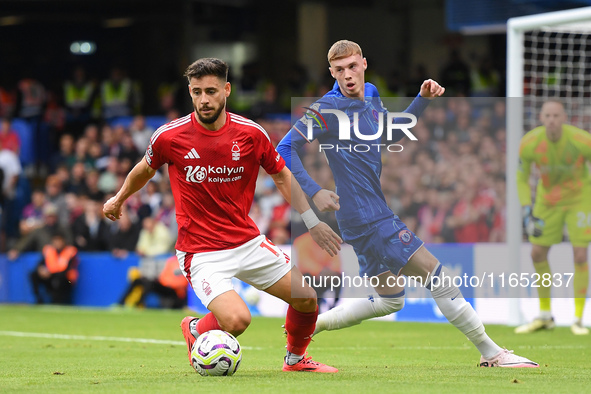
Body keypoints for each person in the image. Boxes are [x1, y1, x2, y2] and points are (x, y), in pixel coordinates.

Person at [277, 40, 538, 368]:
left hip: (363, 216)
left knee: (390, 300)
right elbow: (285, 149)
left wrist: (421, 101)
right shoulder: (326, 109)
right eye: (340, 70)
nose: (348, 75)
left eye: (352, 67)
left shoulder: (371, 93)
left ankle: (307, 329)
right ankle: (492, 353)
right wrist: (315, 191)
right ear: (331, 72)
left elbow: (389, 135)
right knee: (439, 277)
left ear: (364, 64)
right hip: (369, 217)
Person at [103, 58, 342, 373]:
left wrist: (312, 222)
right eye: (197, 92)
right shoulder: (169, 136)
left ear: (226, 90)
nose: (204, 100)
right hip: (201, 252)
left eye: (212, 91)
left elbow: (282, 175)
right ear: (189, 92)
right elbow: (144, 169)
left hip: (247, 241)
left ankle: (296, 360)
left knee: (306, 299)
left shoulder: (251, 134)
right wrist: (119, 198)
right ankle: (195, 329)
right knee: (237, 320)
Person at [515, 99, 591, 335]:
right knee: (537, 253)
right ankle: (545, 315)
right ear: (540, 118)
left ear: (564, 118)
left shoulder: (581, 140)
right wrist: (527, 208)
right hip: (547, 201)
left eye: (556, 116)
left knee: (579, 254)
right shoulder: (529, 143)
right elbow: (521, 178)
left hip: (579, 198)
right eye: (547, 116)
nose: (552, 120)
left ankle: (578, 319)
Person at [118, 255, 188, 309]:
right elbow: (164, 276)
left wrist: (169, 283)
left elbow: (183, 282)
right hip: (165, 285)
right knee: (139, 280)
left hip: (175, 291)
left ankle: (139, 304)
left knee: (149, 283)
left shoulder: (186, 262)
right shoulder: (171, 260)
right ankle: (121, 303)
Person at [29, 231, 78, 304]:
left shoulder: (70, 251)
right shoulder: (49, 250)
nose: (57, 243)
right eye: (55, 240)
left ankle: (58, 301)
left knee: (60, 279)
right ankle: (38, 298)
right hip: (50, 276)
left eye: (59, 240)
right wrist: (41, 270)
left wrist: (50, 273)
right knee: (33, 274)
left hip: (66, 279)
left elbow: (68, 269)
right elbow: (41, 263)